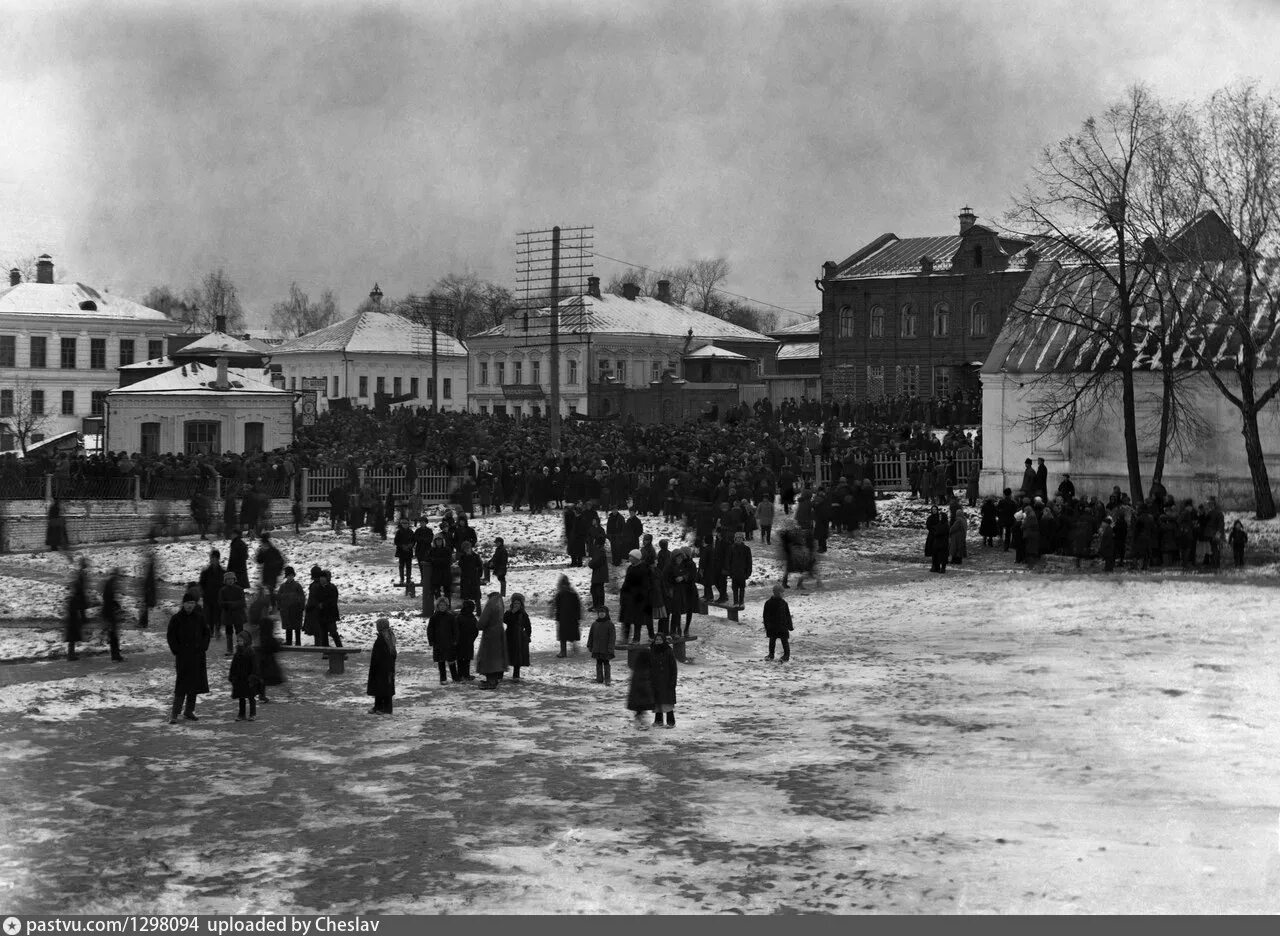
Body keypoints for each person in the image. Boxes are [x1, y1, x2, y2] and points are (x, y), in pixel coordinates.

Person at [168, 589, 211, 724]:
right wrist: (177, 650)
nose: (190, 605)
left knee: (194, 685)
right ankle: (174, 714)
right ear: (183, 604)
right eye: (187, 603)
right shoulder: (176, 619)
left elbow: (206, 633)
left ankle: (189, 711)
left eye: (192, 603)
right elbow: (171, 636)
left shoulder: (199, 618)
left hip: (197, 656)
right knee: (181, 685)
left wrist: (203, 647)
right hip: (183, 657)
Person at [475, 592, 508, 689]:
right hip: (499, 632)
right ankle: (494, 679)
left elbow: (482, 621)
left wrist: (479, 625)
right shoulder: (500, 603)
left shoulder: (490, 604)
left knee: (489, 657)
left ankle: (491, 681)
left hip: (490, 634)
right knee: (496, 657)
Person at [620, 549, 653, 642]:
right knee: (627, 618)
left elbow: (646, 584)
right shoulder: (630, 568)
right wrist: (623, 593)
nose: (629, 558)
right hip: (629, 597)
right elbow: (627, 582)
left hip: (639, 598)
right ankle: (625, 638)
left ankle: (637, 638)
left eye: (631, 556)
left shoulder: (643, 568)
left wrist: (641, 595)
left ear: (636, 558)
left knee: (638, 619)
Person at [229, 630, 261, 722]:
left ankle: (252, 713)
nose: (239, 643)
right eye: (238, 641)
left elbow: (254, 666)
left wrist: (253, 677)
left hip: (249, 679)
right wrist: (232, 676)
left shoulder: (251, 653)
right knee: (241, 697)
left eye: (241, 641)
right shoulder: (237, 653)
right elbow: (233, 666)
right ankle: (241, 714)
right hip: (239, 679)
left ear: (246, 641)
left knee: (251, 697)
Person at [648, 632, 679, 728]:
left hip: (666, 681)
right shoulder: (652, 651)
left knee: (667, 702)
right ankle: (658, 721)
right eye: (657, 640)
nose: (658, 641)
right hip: (655, 680)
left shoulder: (668, 651)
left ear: (664, 640)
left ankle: (671, 722)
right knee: (657, 703)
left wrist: (673, 681)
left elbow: (673, 667)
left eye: (660, 640)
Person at [427, 596, 460, 684]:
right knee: (441, 661)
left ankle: (455, 677)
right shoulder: (434, 617)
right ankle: (443, 678)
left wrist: (455, 639)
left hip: (449, 642)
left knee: (451, 660)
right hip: (438, 642)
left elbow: (455, 629)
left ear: (447, 606)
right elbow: (430, 630)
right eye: (440, 605)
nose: (442, 607)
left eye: (444, 605)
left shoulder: (451, 617)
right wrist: (431, 640)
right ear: (437, 606)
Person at [367, 617, 397, 715]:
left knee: (386, 688)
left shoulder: (386, 638)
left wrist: (384, 666)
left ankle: (387, 708)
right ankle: (378, 706)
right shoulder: (383, 637)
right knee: (378, 687)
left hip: (385, 668)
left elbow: (389, 654)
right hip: (379, 667)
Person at [65, 556, 90, 661]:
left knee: (73, 635)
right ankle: (71, 655)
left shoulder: (72, 597)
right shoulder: (74, 597)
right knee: (72, 635)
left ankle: (71, 654)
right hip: (73, 616)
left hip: (74, 614)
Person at [504, 593, 532, 682]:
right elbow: (505, 620)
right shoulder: (508, 613)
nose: (516, 605)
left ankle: (516, 675)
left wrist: (527, 635)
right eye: (515, 603)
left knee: (517, 656)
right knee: (506, 654)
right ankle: (500, 673)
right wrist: (512, 613)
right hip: (509, 635)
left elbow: (528, 626)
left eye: (518, 603)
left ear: (521, 604)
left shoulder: (523, 614)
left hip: (519, 637)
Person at [552, 574, 582, 658]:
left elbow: (557, 607)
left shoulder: (560, 594)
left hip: (564, 618)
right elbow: (578, 606)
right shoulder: (572, 593)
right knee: (572, 634)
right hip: (572, 617)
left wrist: (557, 617)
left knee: (563, 636)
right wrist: (578, 616)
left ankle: (563, 652)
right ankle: (573, 648)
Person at [762, 583, 793, 662]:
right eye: (782, 593)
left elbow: (787, 615)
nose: (783, 594)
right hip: (772, 626)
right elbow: (765, 616)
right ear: (777, 593)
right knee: (772, 641)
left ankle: (786, 655)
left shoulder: (784, 603)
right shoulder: (768, 603)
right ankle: (771, 654)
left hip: (782, 626)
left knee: (784, 641)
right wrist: (766, 626)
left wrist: (790, 625)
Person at [199, 549, 226, 640]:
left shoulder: (223, 572)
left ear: (218, 559)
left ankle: (217, 630)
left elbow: (225, 585)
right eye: (212, 558)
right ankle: (211, 630)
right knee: (209, 614)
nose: (213, 560)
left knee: (218, 614)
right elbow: (201, 583)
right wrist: (203, 593)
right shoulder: (205, 572)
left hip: (218, 597)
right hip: (208, 596)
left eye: (215, 558)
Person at [587, 606, 616, 685]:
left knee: (606, 663)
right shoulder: (594, 624)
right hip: (596, 648)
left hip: (606, 649)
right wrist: (590, 645)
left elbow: (612, 638)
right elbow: (591, 635)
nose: (601, 614)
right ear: (598, 614)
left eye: (603, 613)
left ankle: (607, 679)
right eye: (600, 613)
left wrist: (610, 648)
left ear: (606, 614)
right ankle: (599, 678)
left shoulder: (610, 624)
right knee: (598, 662)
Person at [277, 566, 305, 646]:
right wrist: (279, 606)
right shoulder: (282, 586)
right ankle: (288, 642)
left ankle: (298, 642)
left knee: (297, 628)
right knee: (288, 627)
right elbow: (278, 597)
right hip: (286, 611)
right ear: (286, 576)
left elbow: (302, 597)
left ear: (293, 576)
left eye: (291, 575)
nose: (290, 577)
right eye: (288, 575)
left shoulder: (297, 586)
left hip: (296, 610)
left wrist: (301, 606)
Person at [101, 567, 125, 662]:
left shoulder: (109, 583)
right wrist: (114, 605)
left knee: (113, 634)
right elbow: (108, 599)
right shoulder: (111, 584)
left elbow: (107, 598)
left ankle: (115, 654)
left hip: (109, 612)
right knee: (113, 634)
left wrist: (115, 604)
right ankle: (115, 655)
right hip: (109, 613)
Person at [455, 598, 479, 681]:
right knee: (466, 658)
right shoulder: (472, 618)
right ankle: (465, 674)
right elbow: (476, 630)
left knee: (461, 658)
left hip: (462, 641)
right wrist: (472, 638)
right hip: (467, 641)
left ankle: (461, 674)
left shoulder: (459, 617)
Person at [727, 531, 752, 610]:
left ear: (743, 539)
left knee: (742, 588)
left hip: (742, 572)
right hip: (734, 572)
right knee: (734, 588)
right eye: (737, 538)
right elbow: (729, 560)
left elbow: (749, 561)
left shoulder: (746, 549)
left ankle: (741, 602)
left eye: (740, 538)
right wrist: (729, 571)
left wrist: (748, 572)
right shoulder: (731, 548)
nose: (739, 539)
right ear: (735, 539)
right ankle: (735, 602)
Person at [255, 532, 284, 598]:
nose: (262, 545)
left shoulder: (274, 551)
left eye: (263, 543)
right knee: (267, 591)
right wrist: (261, 552)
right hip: (266, 573)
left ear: (267, 543)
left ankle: (274, 605)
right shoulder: (262, 550)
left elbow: (281, 561)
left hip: (273, 574)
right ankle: (269, 605)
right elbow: (259, 561)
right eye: (262, 544)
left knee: (271, 590)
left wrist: (277, 572)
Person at [138, 549, 158, 630]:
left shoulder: (150, 566)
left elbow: (150, 579)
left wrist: (148, 589)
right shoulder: (151, 566)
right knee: (144, 606)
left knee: (144, 606)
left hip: (148, 589)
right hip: (148, 589)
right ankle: (143, 623)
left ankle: (143, 623)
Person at [393, 518, 415, 586]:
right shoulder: (399, 532)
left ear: (408, 524)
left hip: (408, 551)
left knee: (409, 566)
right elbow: (396, 541)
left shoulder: (411, 532)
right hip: (401, 552)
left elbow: (413, 541)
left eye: (406, 523)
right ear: (401, 524)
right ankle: (402, 579)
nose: (405, 525)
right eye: (403, 523)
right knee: (401, 566)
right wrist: (402, 546)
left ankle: (408, 579)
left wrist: (410, 546)